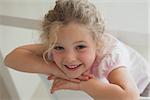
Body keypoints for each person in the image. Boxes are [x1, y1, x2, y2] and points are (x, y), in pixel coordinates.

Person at [4, 0, 150, 99]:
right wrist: (57, 70)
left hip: (143, 88)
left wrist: (82, 84)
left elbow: (131, 97)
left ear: (97, 43)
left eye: (80, 47)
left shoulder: (109, 56)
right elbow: (11, 59)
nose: (69, 57)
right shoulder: (60, 44)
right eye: (59, 47)